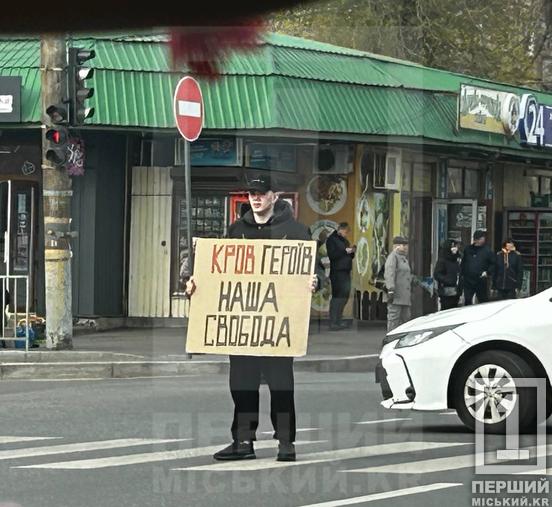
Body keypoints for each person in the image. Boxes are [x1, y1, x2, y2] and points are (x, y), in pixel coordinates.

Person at [185, 174, 317, 463]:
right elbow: (219, 272)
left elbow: (312, 269)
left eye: (261, 193)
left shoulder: (296, 231)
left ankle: (286, 442)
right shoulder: (235, 230)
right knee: (242, 385)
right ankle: (243, 441)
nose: (255, 198)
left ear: (274, 196)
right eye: (251, 193)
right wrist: (197, 284)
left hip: (277, 324)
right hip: (243, 323)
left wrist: (314, 281)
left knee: (281, 386)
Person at [325, 222, 356, 330]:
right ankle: (333, 321)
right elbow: (332, 255)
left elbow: (348, 256)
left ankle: (338, 319)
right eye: (346, 232)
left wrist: (352, 251)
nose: (346, 234)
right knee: (337, 296)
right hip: (337, 272)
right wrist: (344, 251)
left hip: (346, 271)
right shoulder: (332, 240)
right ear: (340, 229)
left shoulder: (344, 241)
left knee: (344, 296)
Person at [384, 236, 412, 332]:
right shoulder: (393, 257)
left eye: (406, 245)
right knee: (394, 319)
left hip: (404, 296)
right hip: (396, 295)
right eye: (403, 245)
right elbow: (389, 273)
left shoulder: (403, 258)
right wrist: (390, 289)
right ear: (396, 246)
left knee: (406, 320)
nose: (405, 247)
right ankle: (391, 338)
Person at [461, 230, 495, 306]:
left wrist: (487, 272)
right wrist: (462, 274)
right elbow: (463, 262)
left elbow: (493, 264)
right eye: (481, 238)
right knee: (468, 300)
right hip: (468, 280)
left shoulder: (487, 250)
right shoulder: (468, 249)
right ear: (476, 240)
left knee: (483, 300)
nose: (483, 239)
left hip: (480, 279)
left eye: (483, 238)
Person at [433, 239, 462, 310]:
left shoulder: (456, 259)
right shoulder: (442, 260)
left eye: (455, 246)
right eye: (453, 246)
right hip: (446, 291)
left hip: (456, 291)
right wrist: (447, 280)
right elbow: (437, 274)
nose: (455, 249)